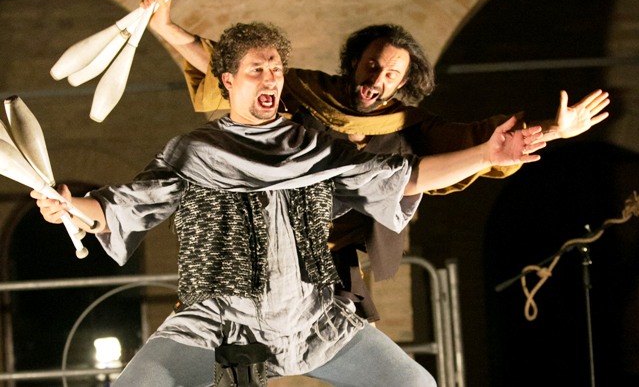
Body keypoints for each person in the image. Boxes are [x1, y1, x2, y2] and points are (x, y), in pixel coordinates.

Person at [33, 21, 544, 386]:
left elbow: (404, 178)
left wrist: (486, 154)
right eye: (257, 69)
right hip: (217, 321)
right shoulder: (196, 151)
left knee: (414, 383)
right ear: (228, 81)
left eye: (276, 68)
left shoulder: (314, 149)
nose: (271, 79)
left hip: (310, 318)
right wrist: (72, 207)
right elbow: (125, 205)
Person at [141, 0, 610, 322]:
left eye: (390, 74)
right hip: (270, 234)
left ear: (403, 82)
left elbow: (486, 141)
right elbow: (226, 66)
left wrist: (554, 129)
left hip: (332, 256)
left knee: (344, 343)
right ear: (355, 63)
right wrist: (165, 27)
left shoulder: (409, 126)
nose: (376, 80)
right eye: (371, 66)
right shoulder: (308, 91)